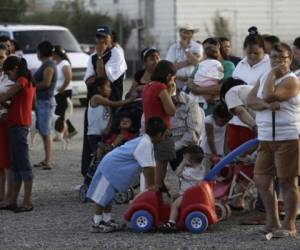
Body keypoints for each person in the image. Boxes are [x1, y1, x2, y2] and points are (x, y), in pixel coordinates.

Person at [248, 43, 300, 237]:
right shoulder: (263, 77)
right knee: (261, 179)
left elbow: (270, 94)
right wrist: (266, 105)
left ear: (290, 59)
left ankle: (289, 225)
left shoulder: (291, 80)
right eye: (274, 58)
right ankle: (272, 221)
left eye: (282, 58)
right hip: (266, 136)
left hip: (287, 137)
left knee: (288, 182)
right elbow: (251, 100)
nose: (277, 61)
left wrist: (272, 75)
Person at [87, 117, 167, 233]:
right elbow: (148, 167)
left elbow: (149, 166)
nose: (164, 137)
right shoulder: (146, 144)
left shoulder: (145, 141)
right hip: (110, 167)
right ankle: (96, 222)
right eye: (164, 135)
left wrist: (152, 184)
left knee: (109, 195)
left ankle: (107, 219)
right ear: (159, 134)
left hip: (113, 167)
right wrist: (152, 185)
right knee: (102, 196)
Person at [81, 26, 127, 177]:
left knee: (109, 140)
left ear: (110, 38)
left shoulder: (116, 53)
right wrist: (98, 77)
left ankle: (108, 176)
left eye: (104, 38)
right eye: (98, 38)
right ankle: (89, 176)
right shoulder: (92, 56)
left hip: (111, 104)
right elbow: (89, 81)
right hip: (94, 106)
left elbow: (102, 78)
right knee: (91, 139)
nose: (100, 41)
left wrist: (100, 58)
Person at [0, 56, 35, 212]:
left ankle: (27, 201)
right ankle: (12, 200)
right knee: (15, 165)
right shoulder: (27, 80)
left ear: (14, 69)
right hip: (16, 124)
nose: (8, 77)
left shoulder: (21, 81)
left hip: (19, 125)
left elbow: (4, 97)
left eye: (8, 73)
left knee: (23, 165)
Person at [142, 60, 177, 188]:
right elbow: (171, 110)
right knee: (161, 167)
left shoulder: (148, 86)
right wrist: (170, 91)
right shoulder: (160, 87)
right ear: (168, 76)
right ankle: (156, 195)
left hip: (151, 130)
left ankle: (155, 190)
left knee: (154, 164)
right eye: (173, 78)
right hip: (162, 132)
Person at [160, 145, 206, 231]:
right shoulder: (201, 169)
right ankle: (176, 216)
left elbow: (177, 173)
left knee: (174, 205)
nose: (183, 160)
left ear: (189, 160)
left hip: (188, 195)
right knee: (173, 196)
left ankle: (171, 222)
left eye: (184, 158)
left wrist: (183, 163)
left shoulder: (189, 172)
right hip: (192, 193)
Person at [87, 77, 134, 154]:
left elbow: (110, 116)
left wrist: (108, 128)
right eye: (107, 87)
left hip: (104, 134)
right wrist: (129, 100)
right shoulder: (96, 98)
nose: (110, 89)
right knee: (97, 155)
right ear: (99, 88)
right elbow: (114, 104)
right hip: (94, 134)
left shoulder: (106, 101)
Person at [33, 41, 57, 170]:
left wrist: (31, 87)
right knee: (43, 131)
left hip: (45, 101)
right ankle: (46, 158)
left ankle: (49, 160)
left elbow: (46, 83)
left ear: (41, 52)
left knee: (46, 131)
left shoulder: (49, 65)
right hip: (42, 101)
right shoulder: (46, 64)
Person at [169, 89, 204, 171]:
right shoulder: (158, 100)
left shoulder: (190, 103)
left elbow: (192, 133)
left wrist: (174, 147)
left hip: (184, 145)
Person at [165, 24, 203, 89]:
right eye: (183, 32)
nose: (185, 35)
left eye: (187, 33)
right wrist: (188, 61)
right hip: (176, 81)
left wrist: (185, 48)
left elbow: (196, 62)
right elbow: (169, 66)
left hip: (192, 82)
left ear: (192, 34)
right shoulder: (173, 47)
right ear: (180, 33)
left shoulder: (197, 46)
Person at [52, 45, 77, 139]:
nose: (52, 55)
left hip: (64, 91)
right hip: (58, 92)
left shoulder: (64, 63)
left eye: (53, 53)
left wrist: (62, 88)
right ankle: (70, 130)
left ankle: (61, 133)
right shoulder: (57, 63)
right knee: (61, 113)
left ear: (57, 54)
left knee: (59, 113)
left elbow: (68, 77)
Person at [190, 45, 224, 110]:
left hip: (198, 82)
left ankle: (202, 100)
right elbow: (221, 70)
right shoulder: (218, 63)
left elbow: (199, 71)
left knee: (200, 88)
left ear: (205, 55)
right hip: (210, 83)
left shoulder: (201, 63)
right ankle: (208, 100)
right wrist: (220, 78)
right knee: (213, 85)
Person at [200, 102, 232, 169]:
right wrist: (214, 154)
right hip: (207, 152)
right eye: (222, 121)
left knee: (216, 175)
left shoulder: (227, 122)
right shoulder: (209, 120)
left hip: (219, 152)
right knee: (204, 172)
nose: (224, 123)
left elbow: (226, 138)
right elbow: (210, 138)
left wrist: (227, 153)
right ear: (216, 116)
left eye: (226, 121)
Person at [0, 43, 12, 206]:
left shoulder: (12, 77)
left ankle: (9, 196)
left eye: (1, 57)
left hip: (5, 121)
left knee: (7, 162)